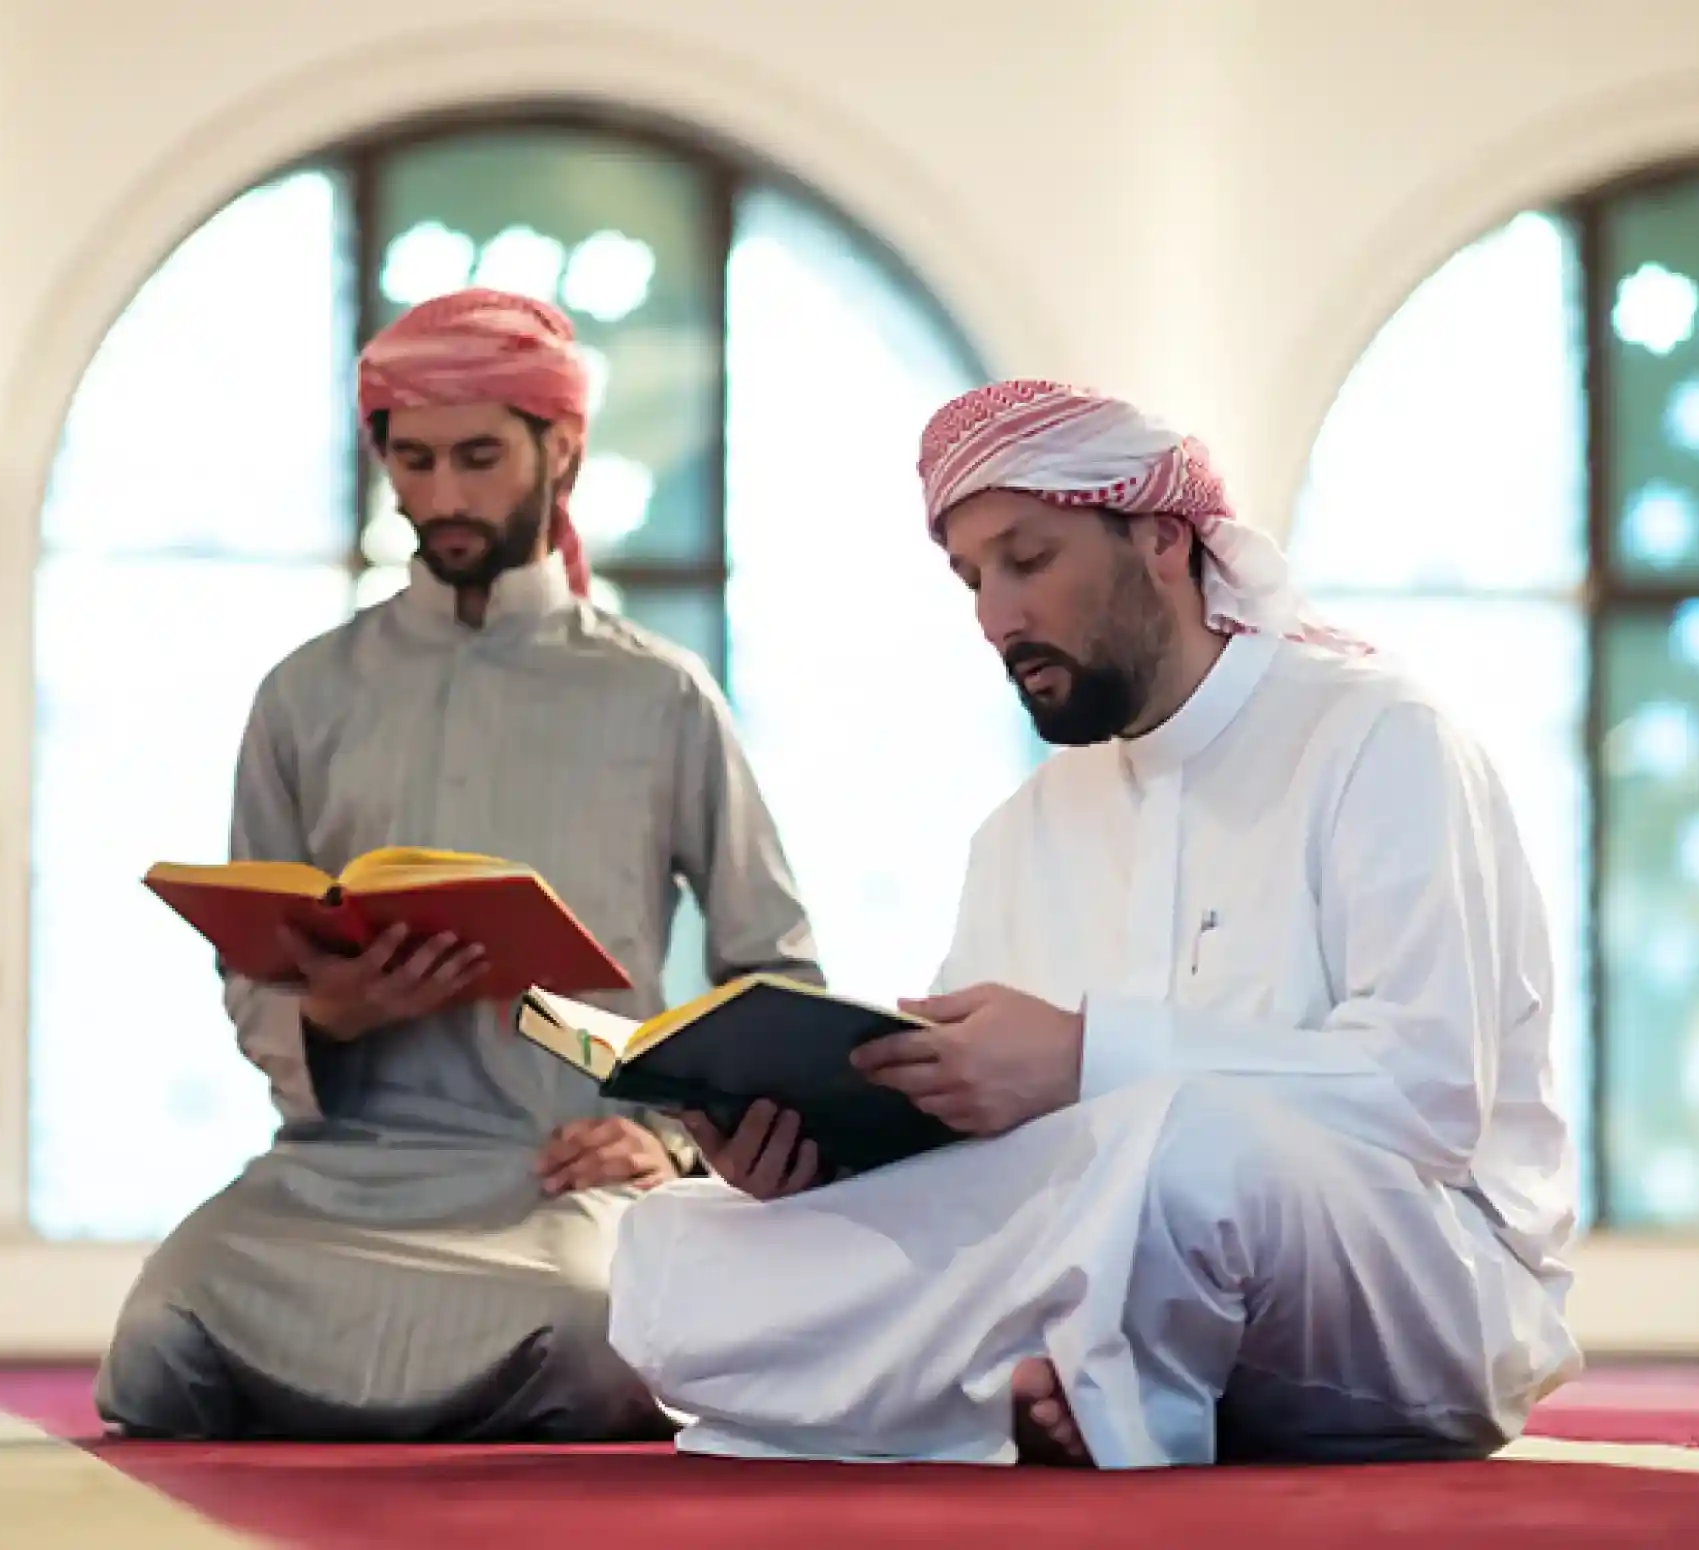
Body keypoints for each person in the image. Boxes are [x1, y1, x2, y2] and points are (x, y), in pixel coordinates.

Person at [605, 379, 1584, 1468]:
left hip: (1410, 1280)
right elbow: (979, 1151)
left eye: (1027, 560)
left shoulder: (1376, 736)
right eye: (970, 578)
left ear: (1161, 537)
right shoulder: (1019, 832)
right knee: (680, 1247)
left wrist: (1083, 1058)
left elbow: (1428, 1094)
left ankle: (1045, 1383)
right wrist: (814, 1162)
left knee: (1189, 1150)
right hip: (1101, 1255)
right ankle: (1084, 1378)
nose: (993, 616)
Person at [97, 288, 822, 1442]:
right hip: (334, 1172)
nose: (441, 497)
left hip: (553, 1174)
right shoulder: (304, 693)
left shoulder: (659, 693)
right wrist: (328, 1013)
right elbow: (253, 979)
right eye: (414, 458)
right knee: (156, 1347)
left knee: (590, 1343)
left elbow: (774, 972)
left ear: (562, 448)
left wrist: (675, 1139)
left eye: (478, 456)